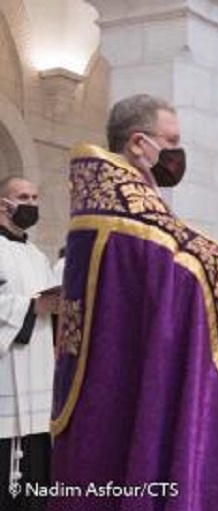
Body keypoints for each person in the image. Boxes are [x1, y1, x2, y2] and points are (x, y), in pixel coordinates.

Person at [50, 94, 218, 510]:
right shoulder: (124, 209)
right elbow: (176, 273)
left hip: (111, 373)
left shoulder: (115, 201)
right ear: (139, 143)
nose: (178, 154)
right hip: (119, 376)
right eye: (172, 140)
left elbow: (173, 257)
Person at [0, 176, 58, 511]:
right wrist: (31, 306)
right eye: (24, 197)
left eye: (36, 197)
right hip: (8, 376)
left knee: (37, 479)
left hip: (39, 376)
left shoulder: (37, 255)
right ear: (3, 204)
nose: (31, 204)